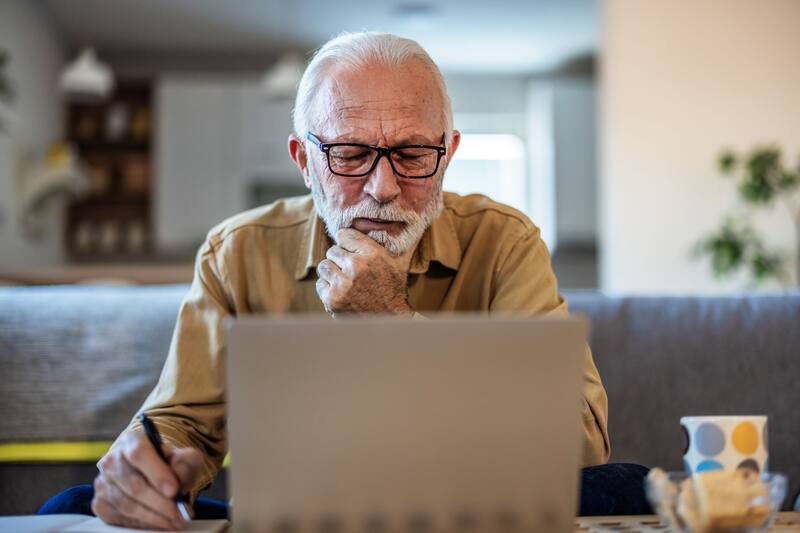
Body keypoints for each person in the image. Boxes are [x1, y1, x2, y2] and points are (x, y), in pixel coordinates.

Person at [39, 32, 650, 529]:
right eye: (351, 155)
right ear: (304, 161)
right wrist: (146, 471)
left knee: (632, 485)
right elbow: (183, 423)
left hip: (473, 512)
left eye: (412, 155)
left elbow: (579, 444)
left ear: (448, 154)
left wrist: (392, 322)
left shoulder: (504, 241)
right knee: (77, 505)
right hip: (297, 517)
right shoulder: (238, 252)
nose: (383, 189)